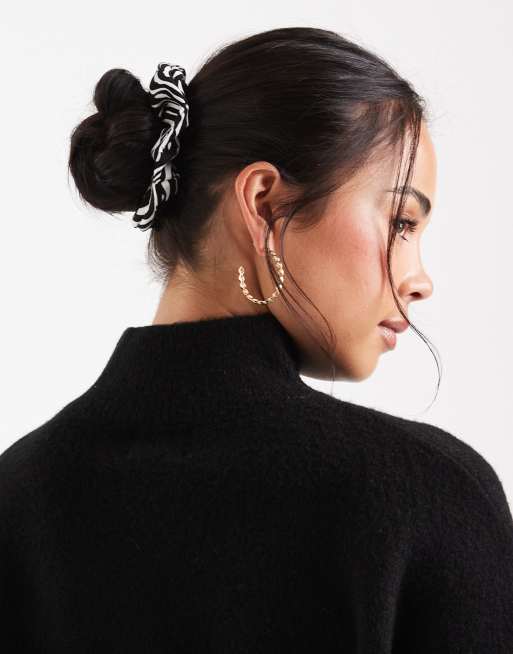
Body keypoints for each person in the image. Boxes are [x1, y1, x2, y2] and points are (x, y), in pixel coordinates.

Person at [1, 26, 512, 653]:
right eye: (401, 221)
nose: (420, 280)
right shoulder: (428, 499)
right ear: (265, 202)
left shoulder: (17, 495)